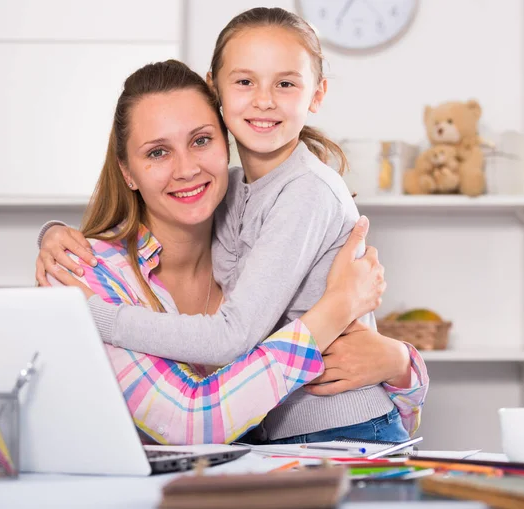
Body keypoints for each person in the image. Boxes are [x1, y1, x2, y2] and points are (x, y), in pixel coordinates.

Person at [38, 7, 428, 445]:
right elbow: (193, 420)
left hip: (339, 429)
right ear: (218, 91)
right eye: (157, 152)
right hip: (284, 440)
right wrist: (52, 233)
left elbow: (232, 336)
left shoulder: (304, 192)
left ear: (316, 95)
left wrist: (101, 318)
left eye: (200, 141)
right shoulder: (238, 193)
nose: (264, 100)